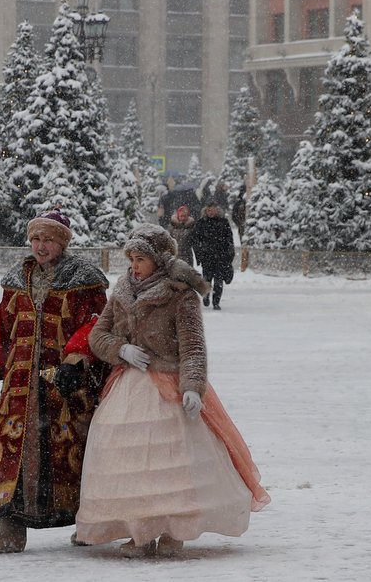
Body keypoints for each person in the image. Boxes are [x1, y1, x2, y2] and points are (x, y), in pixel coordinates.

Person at [76, 224, 269, 557]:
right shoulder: (122, 289)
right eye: (132, 258)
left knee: (173, 459)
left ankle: (173, 530)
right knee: (132, 458)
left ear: (159, 260)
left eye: (141, 259)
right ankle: (139, 532)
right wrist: (121, 349)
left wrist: (192, 387)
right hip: (128, 383)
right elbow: (98, 335)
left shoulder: (180, 293)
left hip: (168, 382)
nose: (134, 265)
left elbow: (193, 347)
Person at [0, 210, 109, 554]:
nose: (40, 246)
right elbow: (3, 325)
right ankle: (10, 528)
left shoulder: (83, 280)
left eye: (48, 239)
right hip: (19, 387)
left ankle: (91, 524)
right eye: (35, 238)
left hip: (66, 387)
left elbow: (96, 323)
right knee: (12, 454)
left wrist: (76, 361)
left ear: (62, 242)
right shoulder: (17, 279)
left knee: (73, 456)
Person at [192, 198, 236, 310]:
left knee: (218, 281)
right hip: (207, 257)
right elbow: (196, 241)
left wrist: (229, 254)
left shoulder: (223, 222)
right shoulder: (201, 223)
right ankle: (206, 296)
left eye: (213, 210)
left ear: (217, 210)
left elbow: (229, 240)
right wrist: (200, 255)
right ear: (205, 211)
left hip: (221, 258)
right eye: (209, 210)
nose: (211, 212)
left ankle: (216, 302)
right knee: (207, 279)